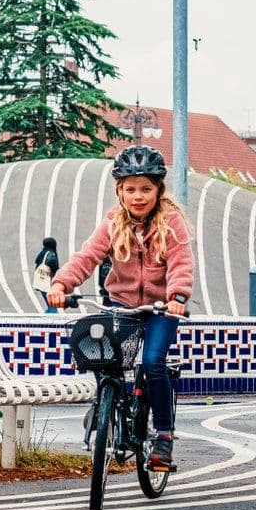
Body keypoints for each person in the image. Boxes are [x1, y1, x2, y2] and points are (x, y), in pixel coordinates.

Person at [47, 145, 194, 473]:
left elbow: (182, 263)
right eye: (130, 189)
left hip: (161, 308)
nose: (138, 196)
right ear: (120, 191)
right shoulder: (114, 222)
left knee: (154, 363)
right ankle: (106, 401)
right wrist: (61, 285)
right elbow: (87, 257)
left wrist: (178, 297)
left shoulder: (171, 222)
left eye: (146, 189)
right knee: (104, 356)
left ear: (159, 190)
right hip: (122, 304)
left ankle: (164, 437)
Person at [32, 236, 60, 313]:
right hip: (47, 283)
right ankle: (53, 321)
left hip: (40, 281)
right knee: (52, 305)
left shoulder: (42, 253)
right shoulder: (51, 255)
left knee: (49, 304)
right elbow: (54, 266)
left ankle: (47, 316)